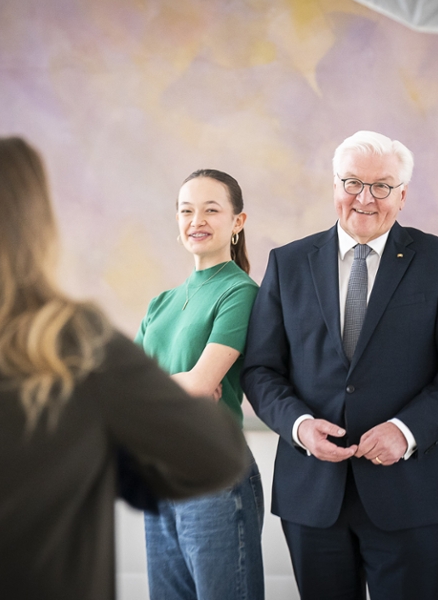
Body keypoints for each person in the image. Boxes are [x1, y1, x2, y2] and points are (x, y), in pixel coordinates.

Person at [0, 137, 249, 600]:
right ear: (35, 234)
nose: (196, 220)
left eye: (210, 210)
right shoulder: (76, 343)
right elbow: (216, 455)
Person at [242, 130, 438, 599]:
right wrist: (299, 426)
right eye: (352, 182)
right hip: (311, 491)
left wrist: (406, 431)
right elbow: (261, 369)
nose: (365, 198)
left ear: (403, 195)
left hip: (407, 489)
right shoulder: (287, 263)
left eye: (382, 186)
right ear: (334, 185)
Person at [136, 169, 264, 600]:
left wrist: (164, 389)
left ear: (237, 222)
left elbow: (204, 381)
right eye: (187, 210)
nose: (197, 220)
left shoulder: (240, 292)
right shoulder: (162, 302)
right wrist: (179, 388)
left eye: (212, 209)